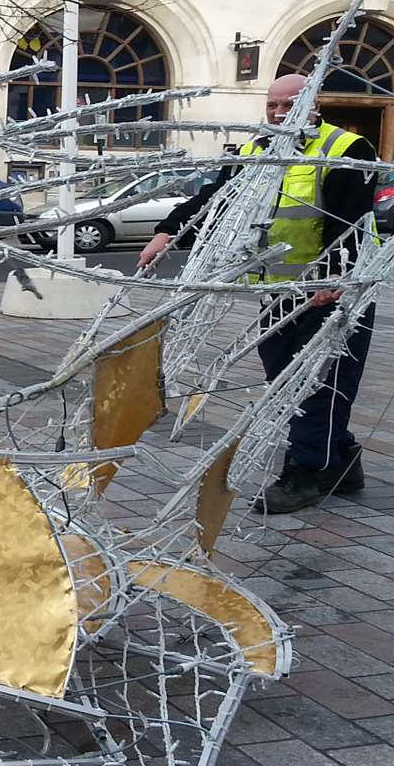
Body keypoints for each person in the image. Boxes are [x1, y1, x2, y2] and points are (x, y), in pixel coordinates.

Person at [138, 73, 378, 514]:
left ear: (314, 103)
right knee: (285, 381)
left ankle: (307, 473)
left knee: (316, 384)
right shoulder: (254, 152)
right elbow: (214, 200)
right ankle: (341, 460)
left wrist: (333, 278)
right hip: (277, 293)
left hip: (334, 295)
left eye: (291, 103)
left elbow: (352, 223)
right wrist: (167, 231)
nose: (280, 112)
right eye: (273, 104)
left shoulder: (346, 148)